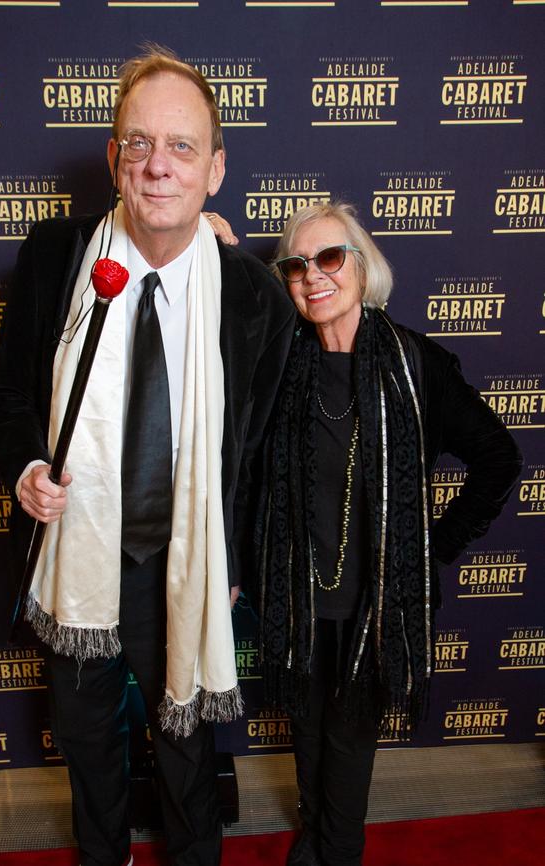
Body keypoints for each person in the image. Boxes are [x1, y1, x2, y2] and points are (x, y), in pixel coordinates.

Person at [0, 47, 295, 866]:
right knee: (88, 741)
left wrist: (238, 558)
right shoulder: (57, 256)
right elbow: (9, 398)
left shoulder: (253, 296)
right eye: (139, 143)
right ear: (114, 157)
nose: (159, 166)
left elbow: (261, 451)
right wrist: (25, 470)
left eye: (183, 146)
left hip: (186, 560)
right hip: (77, 555)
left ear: (216, 168)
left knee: (187, 740)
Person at [256, 201, 522, 866]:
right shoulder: (281, 368)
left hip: (378, 608)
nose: (313, 275)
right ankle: (310, 844)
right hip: (298, 602)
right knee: (309, 738)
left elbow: (499, 457)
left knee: (346, 753)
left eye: (330, 257)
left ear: (363, 266)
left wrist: (433, 547)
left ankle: (334, 853)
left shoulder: (414, 364)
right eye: (296, 265)